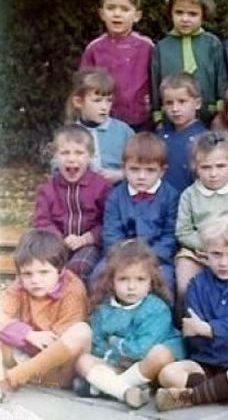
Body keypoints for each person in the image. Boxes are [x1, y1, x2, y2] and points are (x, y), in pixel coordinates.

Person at [155, 212, 228, 412]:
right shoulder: (196, 284)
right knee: (167, 373)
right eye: (216, 254)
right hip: (203, 361)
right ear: (205, 252)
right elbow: (192, 332)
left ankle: (190, 397)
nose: (224, 263)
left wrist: (208, 329)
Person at [74, 240, 184, 409]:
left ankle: (105, 388)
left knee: (161, 354)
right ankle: (126, 392)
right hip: (116, 364)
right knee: (83, 361)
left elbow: (142, 349)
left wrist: (115, 343)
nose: (131, 287)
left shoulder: (157, 308)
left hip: (146, 366)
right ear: (112, 281)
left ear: (150, 281)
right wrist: (113, 357)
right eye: (123, 279)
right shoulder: (104, 309)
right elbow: (97, 344)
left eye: (140, 279)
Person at [0, 230, 91, 400]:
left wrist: (16, 334)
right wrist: (28, 334)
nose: (35, 280)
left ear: (60, 270)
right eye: (28, 274)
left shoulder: (73, 289)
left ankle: (11, 379)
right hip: (24, 359)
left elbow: (56, 342)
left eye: (43, 272)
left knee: (82, 331)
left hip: (58, 370)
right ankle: (8, 378)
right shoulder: (21, 284)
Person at [174, 131, 228, 306]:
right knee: (184, 285)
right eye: (206, 167)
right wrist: (206, 246)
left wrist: (227, 249)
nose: (213, 174)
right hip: (197, 252)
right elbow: (183, 231)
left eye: (220, 166)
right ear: (196, 167)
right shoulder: (189, 195)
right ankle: (186, 324)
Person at [100, 132, 179, 293]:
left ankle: (160, 317)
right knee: (98, 276)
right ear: (124, 168)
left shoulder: (171, 196)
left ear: (162, 171)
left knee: (166, 281)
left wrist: (147, 258)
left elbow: (170, 236)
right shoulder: (115, 196)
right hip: (120, 257)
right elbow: (111, 234)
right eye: (134, 170)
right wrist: (125, 257)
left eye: (150, 171)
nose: (141, 177)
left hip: (157, 259)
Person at [33, 125, 111, 282]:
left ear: (90, 157)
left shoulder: (101, 186)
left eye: (79, 153)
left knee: (79, 267)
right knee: (41, 267)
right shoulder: (48, 189)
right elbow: (42, 220)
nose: (71, 159)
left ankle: (77, 304)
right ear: (55, 157)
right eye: (64, 153)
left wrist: (87, 238)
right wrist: (59, 239)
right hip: (56, 243)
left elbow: (108, 221)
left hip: (89, 244)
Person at [151, 0, 226, 125]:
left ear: (203, 15)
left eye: (192, 14)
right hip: (172, 118)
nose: (185, 19)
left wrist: (220, 112)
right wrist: (158, 116)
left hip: (208, 117)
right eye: (179, 12)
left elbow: (221, 79)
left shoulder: (212, 43)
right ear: (170, 13)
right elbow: (155, 82)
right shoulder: (162, 47)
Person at [80, 0, 153, 131]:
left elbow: (157, 81)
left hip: (141, 120)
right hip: (105, 121)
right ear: (102, 13)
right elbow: (83, 86)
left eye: (125, 9)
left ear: (137, 15)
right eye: (111, 8)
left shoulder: (147, 47)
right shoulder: (94, 49)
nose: (117, 14)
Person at [66, 68, 134, 184]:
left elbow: (141, 165)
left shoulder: (123, 132)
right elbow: (57, 169)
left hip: (116, 195)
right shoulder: (69, 134)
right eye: (97, 101)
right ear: (78, 102)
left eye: (108, 101)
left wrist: (120, 174)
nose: (104, 107)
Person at [155, 73, 208, 194]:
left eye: (182, 101)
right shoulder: (160, 136)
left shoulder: (204, 139)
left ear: (197, 103)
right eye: (169, 103)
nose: (175, 109)